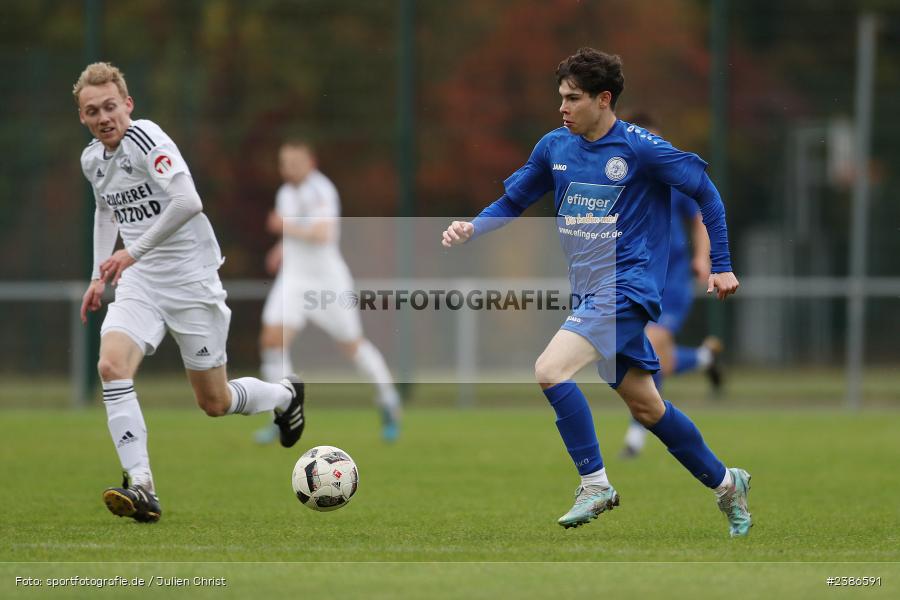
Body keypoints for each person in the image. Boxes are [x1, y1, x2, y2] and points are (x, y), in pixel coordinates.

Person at [441, 48, 751, 536]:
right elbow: (513, 199)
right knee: (649, 408)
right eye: (561, 97)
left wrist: (722, 265)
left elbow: (704, 191)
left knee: (549, 368)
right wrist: (472, 227)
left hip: (628, 289)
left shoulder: (640, 148)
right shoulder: (553, 148)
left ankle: (595, 483)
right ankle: (728, 484)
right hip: (590, 294)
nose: (562, 107)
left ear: (604, 100)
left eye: (573, 98)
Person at [75, 62, 306, 524]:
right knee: (110, 365)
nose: (104, 118)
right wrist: (100, 274)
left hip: (191, 280)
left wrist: (130, 253)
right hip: (140, 281)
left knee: (214, 403)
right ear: (82, 117)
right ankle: (141, 485)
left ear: (129, 105)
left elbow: (188, 201)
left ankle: (285, 396)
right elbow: (105, 211)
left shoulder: (147, 139)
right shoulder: (92, 160)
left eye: (111, 107)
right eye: (92, 111)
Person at [254, 140, 401, 444]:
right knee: (271, 340)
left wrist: (285, 227)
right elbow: (297, 233)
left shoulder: (322, 190)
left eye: (295, 162)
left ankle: (387, 400)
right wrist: (281, 247)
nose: (288, 169)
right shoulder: (285, 193)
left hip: (327, 283)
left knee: (351, 346)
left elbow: (323, 234)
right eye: (284, 163)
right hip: (293, 280)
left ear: (311, 162)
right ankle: (282, 413)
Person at [617, 111, 725, 459]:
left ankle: (637, 433)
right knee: (655, 359)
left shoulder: (667, 172)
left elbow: (700, 215)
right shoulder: (618, 176)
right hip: (635, 277)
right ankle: (704, 357)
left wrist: (703, 258)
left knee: (650, 346)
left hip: (673, 277)